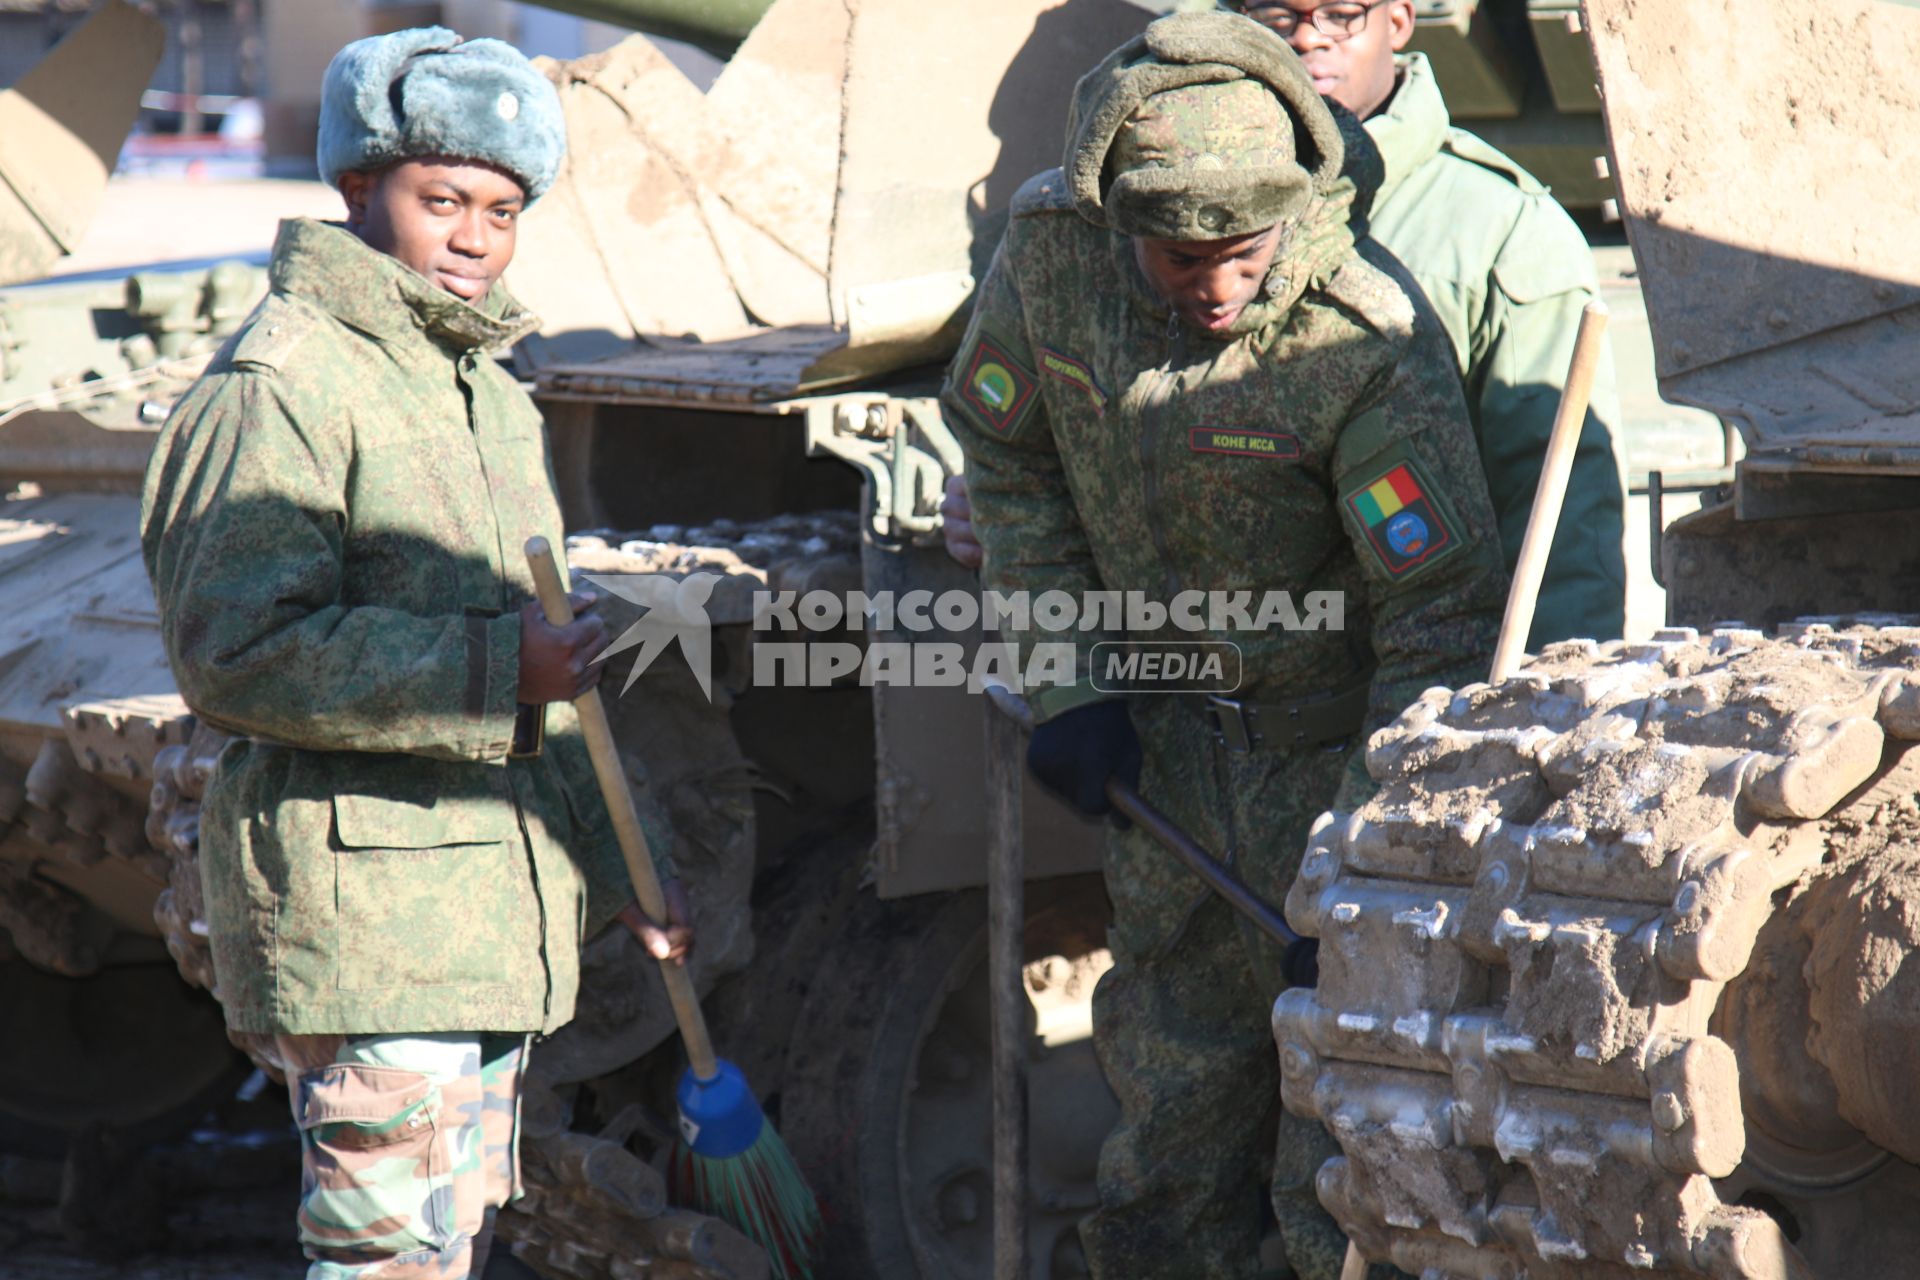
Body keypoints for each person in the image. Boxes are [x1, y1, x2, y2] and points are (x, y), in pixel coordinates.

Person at [941, 13, 1506, 1279]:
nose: (1213, 288)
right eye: (1176, 258)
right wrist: (1070, 674)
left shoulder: (1363, 340)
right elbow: (1015, 470)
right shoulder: (1051, 260)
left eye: (1242, 253)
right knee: (1167, 1142)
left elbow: (1438, 623)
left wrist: (1367, 865)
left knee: (1340, 1165)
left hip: (1326, 775)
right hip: (1167, 771)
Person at [139, 29, 692, 1280]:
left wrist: (625, 870)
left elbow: (548, 675)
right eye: (440, 198)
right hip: (370, 922)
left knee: (443, 1248)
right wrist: (505, 668)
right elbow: (236, 651)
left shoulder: (488, 393)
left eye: (503, 208)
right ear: (355, 191)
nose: (475, 235)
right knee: (384, 1260)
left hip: (476, 923)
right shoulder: (285, 386)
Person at [946, 0, 1627, 651]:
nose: (1307, 37)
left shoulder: (1498, 232)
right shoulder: (1124, 222)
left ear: (1398, 20)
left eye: (1340, 13)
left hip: (1399, 680)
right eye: (1276, 13)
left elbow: (1561, 530)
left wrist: (1544, 714)